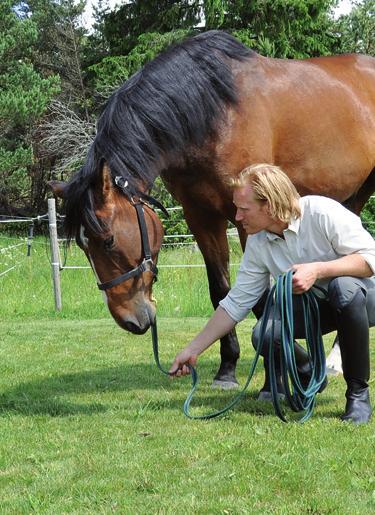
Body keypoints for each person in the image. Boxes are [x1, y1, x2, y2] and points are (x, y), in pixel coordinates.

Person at [169, 163, 375, 424]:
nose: (238, 218)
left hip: (364, 299)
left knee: (343, 287)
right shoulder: (258, 241)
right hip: (318, 309)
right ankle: (310, 371)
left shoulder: (322, 212)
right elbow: (236, 303)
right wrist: (193, 349)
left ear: (270, 205)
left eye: (244, 209)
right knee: (265, 333)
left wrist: (318, 270)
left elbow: (371, 259)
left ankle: (357, 395)